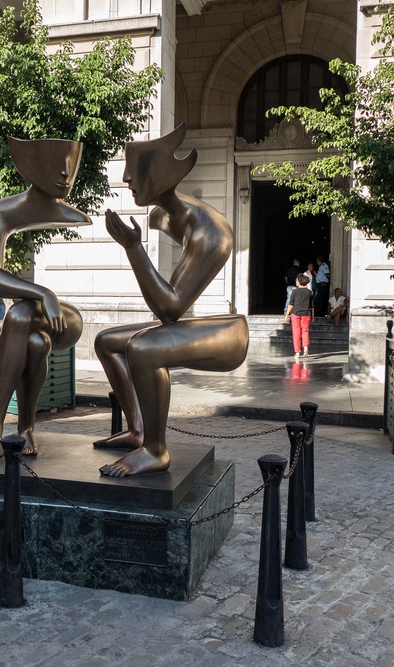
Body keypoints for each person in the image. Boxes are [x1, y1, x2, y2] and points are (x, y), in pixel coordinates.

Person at [94, 124, 249, 477]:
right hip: (190, 325)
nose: (127, 180)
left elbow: (169, 308)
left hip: (229, 336)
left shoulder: (210, 232)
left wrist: (134, 249)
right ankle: (138, 431)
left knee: (144, 349)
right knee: (107, 342)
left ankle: (156, 449)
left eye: (135, 173)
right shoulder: (162, 215)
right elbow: (169, 313)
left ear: (160, 174)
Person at [0, 136, 91, 457]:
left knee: (21, 315)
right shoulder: (1, 213)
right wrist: (42, 293)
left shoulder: (73, 215)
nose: (67, 173)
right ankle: (25, 428)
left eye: (72, 163)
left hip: (66, 321)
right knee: (35, 340)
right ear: (33, 166)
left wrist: (45, 297)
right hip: (37, 322)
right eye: (58, 163)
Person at [283, 273, 313, 360]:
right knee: (305, 331)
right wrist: (313, 316)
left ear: (299, 281)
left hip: (295, 314)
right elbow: (311, 306)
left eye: (296, 280)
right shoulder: (309, 292)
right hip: (306, 314)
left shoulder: (295, 291)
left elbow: (291, 304)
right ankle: (306, 348)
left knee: (296, 333)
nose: (295, 281)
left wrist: (286, 315)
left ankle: (297, 352)